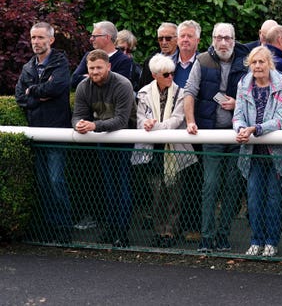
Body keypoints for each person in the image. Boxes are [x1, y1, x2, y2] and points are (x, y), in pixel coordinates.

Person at [183, 23, 249, 253]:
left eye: (227, 38)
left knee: (233, 186)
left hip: (236, 135)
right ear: (212, 39)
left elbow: (255, 95)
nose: (223, 42)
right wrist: (191, 121)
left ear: (234, 39)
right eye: (219, 38)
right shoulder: (201, 61)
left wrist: (237, 104)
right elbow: (189, 92)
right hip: (211, 132)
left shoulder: (246, 61)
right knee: (209, 186)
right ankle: (206, 237)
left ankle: (223, 235)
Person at [15, 22, 73, 243]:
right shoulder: (28, 67)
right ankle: (50, 227)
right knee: (43, 182)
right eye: (33, 38)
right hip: (36, 132)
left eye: (40, 38)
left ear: (51, 40)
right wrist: (38, 95)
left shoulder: (60, 63)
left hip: (57, 131)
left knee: (56, 180)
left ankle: (64, 228)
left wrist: (33, 92)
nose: (36, 42)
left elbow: (57, 88)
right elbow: (21, 96)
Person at [72, 49, 136, 248]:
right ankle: (111, 228)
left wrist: (93, 126)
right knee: (109, 185)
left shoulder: (123, 84)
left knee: (122, 184)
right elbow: (77, 114)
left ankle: (122, 231)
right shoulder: (84, 86)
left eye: (99, 67)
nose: (94, 71)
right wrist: (79, 125)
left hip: (126, 137)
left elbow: (121, 121)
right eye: (91, 68)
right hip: (102, 136)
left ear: (108, 66)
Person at [132, 54, 197, 248]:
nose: (171, 77)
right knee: (157, 192)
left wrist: (154, 126)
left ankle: (170, 231)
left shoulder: (181, 93)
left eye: (172, 73)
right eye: (166, 74)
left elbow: (177, 120)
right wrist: (147, 123)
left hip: (173, 148)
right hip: (153, 150)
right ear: (155, 75)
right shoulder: (143, 93)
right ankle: (159, 231)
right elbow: (140, 118)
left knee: (175, 193)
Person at [233, 46, 282, 257]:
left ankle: (271, 241)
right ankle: (256, 240)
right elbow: (238, 114)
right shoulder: (243, 84)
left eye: (262, 62)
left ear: (270, 63)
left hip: (275, 152)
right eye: (254, 62)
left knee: (274, 199)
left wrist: (256, 129)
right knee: (254, 198)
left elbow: (281, 118)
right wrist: (240, 129)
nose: (258, 66)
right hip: (251, 152)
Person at [71, 20, 133, 89]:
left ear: (107, 37)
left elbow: (118, 86)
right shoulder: (89, 56)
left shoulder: (124, 60)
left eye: (95, 36)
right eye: (92, 68)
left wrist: (88, 76)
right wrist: (103, 77)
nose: (91, 39)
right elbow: (74, 80)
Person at [139, 22, 180, 89]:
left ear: (177, 39)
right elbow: (143, 87)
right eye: (160, 39)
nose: (164, 42)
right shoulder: (149, 61)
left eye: (168, 38)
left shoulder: (185, 60)